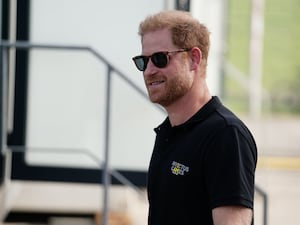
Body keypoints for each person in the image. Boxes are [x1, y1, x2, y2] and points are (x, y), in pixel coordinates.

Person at [132, 10, 257, 225]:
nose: (148, 71)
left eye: (160, 59)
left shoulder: (225, 135)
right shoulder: (169, 132)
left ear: (194, 59)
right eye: (143, 61)